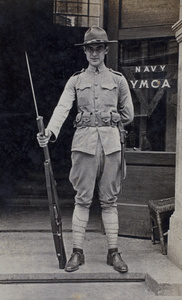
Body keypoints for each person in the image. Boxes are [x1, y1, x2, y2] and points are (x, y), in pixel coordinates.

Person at [37, 26, 134, 273]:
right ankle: (77, 253)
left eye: (98, 48)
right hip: (84, 146)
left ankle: (114, 252)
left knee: (109, 201)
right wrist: (49, 132)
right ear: (85, 52)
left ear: (105, 50)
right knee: (82, 199)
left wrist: (110, 120)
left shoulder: (117, 80)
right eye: (89, 49)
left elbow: (128, 114)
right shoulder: (75, 81)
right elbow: (62, 108)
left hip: (111, 146)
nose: (94, 53)